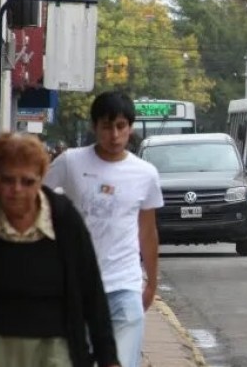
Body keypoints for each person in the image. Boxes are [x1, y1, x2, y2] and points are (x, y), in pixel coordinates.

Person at [0, 132, 120, 367]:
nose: (17, 190)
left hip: (54, 347)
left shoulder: (64, 219)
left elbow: (91, 289)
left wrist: (108, 357)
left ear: (42, 178)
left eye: (28, 181)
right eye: (7, 180)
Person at [44, 91, 163, 367]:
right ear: (94, 126)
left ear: (130, 128)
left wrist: (151, 283)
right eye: (107, 126)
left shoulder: (145, 174)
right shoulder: (71, 162)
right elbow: (37, 199)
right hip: (76, 285)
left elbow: (147, 231)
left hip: (124, 285)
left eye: (121, 126)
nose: (114, 135)